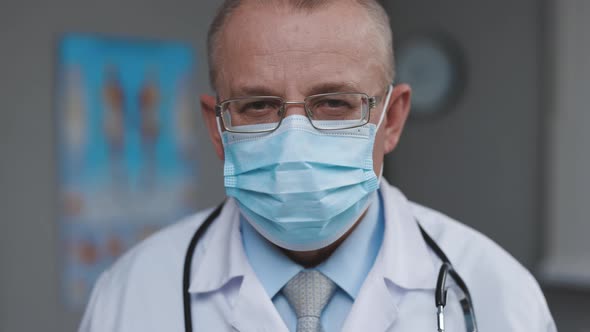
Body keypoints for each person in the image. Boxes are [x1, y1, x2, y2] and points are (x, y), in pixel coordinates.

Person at [79, 0, 557, 331]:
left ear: (391, 119)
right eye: (258, 105)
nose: (294, 139)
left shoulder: (498, 294)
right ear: (217, 127)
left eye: (333, 103)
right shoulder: (130, 294)